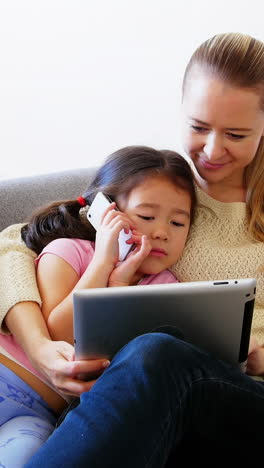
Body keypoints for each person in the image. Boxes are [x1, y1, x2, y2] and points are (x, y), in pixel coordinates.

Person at [0, 30, 264, 466]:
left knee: (155, 349)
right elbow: (16, 243)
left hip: (240, 397)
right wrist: (40, 347)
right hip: (141, 396)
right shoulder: (159, 188)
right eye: (198, 127)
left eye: (236, 134)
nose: (212, 150)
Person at [0, 146, 196, 467]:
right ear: (106, 213)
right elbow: (59, 332)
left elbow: (122, 366)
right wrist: (103, 261)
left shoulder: (165, 287)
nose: (161, 232)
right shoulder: (69, 251)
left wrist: (119, 285)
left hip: (39, 415)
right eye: (147, 217)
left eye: (178, 223)